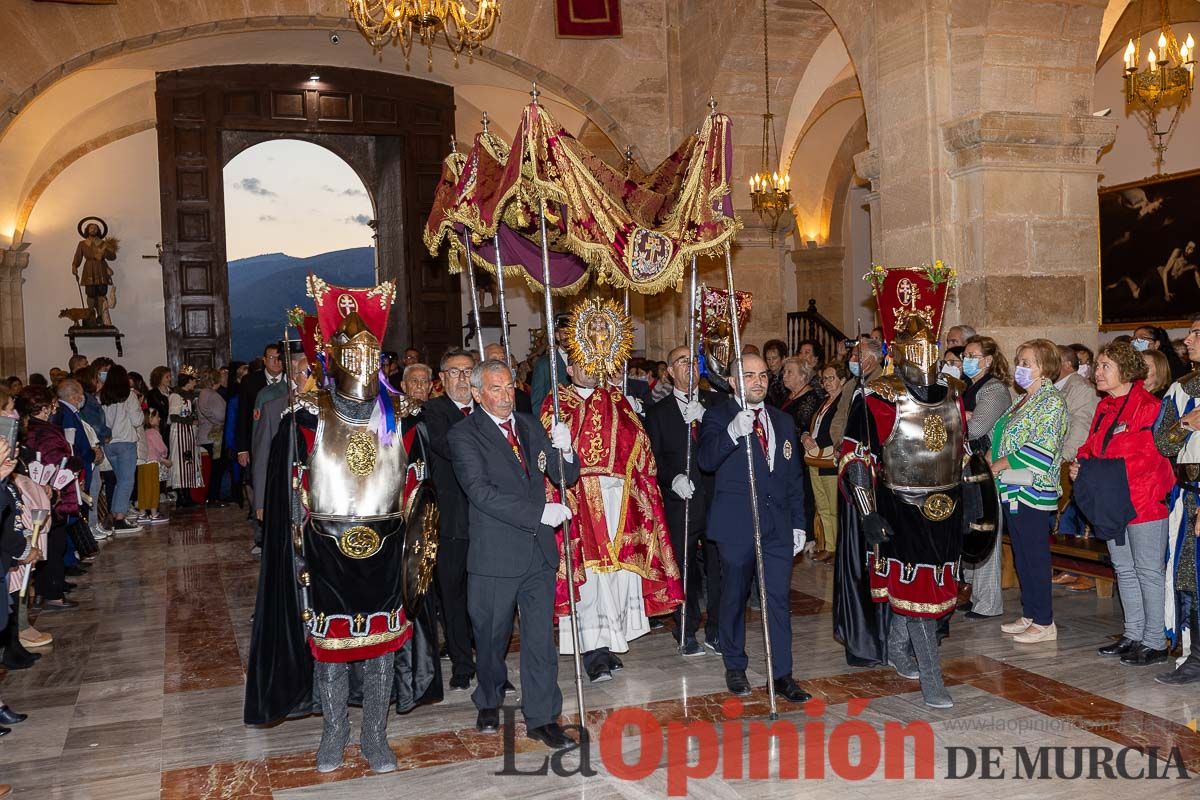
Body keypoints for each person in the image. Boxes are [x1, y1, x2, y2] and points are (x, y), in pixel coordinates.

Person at [244, 276, 437, 773]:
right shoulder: (305, 418)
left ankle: (375, 736)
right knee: (330, 649)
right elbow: (291, 493)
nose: (361, 362)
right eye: (350, 352)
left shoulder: (404, 417)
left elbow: (418, 491)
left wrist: (418, 557)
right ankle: (334, 733)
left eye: (369, 353)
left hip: (388, 547)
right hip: (326, 550)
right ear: (331, 356)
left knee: (380, 648)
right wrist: (294, 552)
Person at [839, 283, 969, 708]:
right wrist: (866, 512)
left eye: (930, 345)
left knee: (928, 593)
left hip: (946, 509)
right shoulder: (876, 398)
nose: (925, 354)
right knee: (918, 596)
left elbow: (961, 453)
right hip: (900, 507)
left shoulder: (954, 395)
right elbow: (856, 458)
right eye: (916, 345)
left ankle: (897, 648)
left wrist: (976, 504)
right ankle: (933, 678)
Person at [448, 358, 580, 749]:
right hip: (495, 555)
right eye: (495, 389)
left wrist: (565, 449)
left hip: (537, 553)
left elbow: (563, 475)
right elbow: (481, 492)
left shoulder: (528, 424)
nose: (506, 397)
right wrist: (539, 512)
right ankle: (488, 696)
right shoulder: (464, 435)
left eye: (509, 387)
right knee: (491, 637)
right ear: (476, 393)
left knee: (540, 639)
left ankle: (543, 716)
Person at [544, 330, 683, 684]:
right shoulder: (557, 402)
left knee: (616, 578)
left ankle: (608, 643)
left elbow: (640, 445)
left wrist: (635, 421)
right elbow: (548, 451)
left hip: (618, 498)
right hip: (580, 500)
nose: (589, 369)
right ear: (571, 369)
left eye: (595, 362)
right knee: (589, 579)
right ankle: (592, 652)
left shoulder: (616, 399)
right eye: (582, 364)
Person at [698, 353, 810, 703]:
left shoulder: (781, 420)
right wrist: (732, 433)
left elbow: (792, 476)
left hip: (776, 527)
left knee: (777, 600)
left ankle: (782, 674)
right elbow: (706, 460)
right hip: (736, 525)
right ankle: (735, 664)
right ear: (733, 381)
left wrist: (798, 524)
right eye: (748, 375)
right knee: (734, 598)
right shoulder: (719, 416)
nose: (758, 381)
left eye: (762, 375)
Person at [1071, 341, 1174, 666]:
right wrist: (1081, 463)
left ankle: (1155, 642)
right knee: (1125, 571)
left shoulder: (1148, 406)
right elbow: (1092, 446)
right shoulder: (1105, 406)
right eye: (1098, 365)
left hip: (1143, 501)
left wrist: (1093, 469)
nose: (1097, 372)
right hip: (1111, 500)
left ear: (1126, 371)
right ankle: (1133, 634)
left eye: (1105, 366)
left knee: (1147, 571)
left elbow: (1144, 458)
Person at [646, 344, 723, 655]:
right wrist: (672, 478)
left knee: (720, 568)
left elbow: (728, 442)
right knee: (684, 565)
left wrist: (706, 418)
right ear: (669, 371)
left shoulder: (716, 405)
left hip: (716, 497)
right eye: (681, 361)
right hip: (682, 500)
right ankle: (686, 627)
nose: (689, 367)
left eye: (693, 361)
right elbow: (653, 458)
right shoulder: (658, 413)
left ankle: (717, 628)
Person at [993, 339, 1068, 643]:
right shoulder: (1023, 399)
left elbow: (1042, 449)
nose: (1019, 368)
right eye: (1019, 361)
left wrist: (999, 463)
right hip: (1013, 485)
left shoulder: (1051, 402)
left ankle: (1045, 622)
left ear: (1045, 367)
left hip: (1033, 487)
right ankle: (1030, 613)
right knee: (1022, 555)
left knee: (1035, 556)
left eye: (1027, 363)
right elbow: (1005, 433)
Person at [419, 347, 478, 690]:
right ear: (441, 379)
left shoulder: (487, 408)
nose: (461, 378)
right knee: (453, 597)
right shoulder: (433, 411)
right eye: (454, 372)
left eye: (468, 371)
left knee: (485, 597)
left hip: (488, 521)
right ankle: (462, 664)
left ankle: (488, 662)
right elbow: (449, 447)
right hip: (452, 521)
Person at [1154, 314, 1200, 685]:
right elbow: (1162, 442)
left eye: (1197, 334)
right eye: (1189, 333)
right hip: (1190, 496)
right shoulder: (1182, 389)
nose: (1188, 339)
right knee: (1188, 577)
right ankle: (1196, 656)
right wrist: (1187, 423)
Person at [958, 335, 1014, 618]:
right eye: (965, 354)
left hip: (987, 468)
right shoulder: (967, 387)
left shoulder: (994, 389)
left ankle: (989, 603)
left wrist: (961, 415)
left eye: (972, 354)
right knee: (969, 531)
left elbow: (977, 427)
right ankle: (970, 591)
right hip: (967, 467)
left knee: (985, 531)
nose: (966, 359)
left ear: (988, 360)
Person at [20, 386, 81, 612]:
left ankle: (51, 586)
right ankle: (53, 593)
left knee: (50, 540)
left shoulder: (29, 428)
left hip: (37, 492)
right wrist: (74, 464)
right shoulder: (46, 431)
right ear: (44, 408)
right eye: (52, 405)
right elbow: (55, 461)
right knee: (54, 542)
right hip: (52, 493)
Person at [251, 351, 309, 524]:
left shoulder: (328, 409)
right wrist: (260, 501)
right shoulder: (273, 408)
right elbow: (262, 457)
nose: (310, 379)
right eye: (304, 373)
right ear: (294, 374)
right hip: (285, 491)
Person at [802, 363, 849, 564]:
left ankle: (837, 547)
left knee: (832, 506)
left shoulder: (843, 403)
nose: (827, 383)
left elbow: (840, 432)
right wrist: (805, 435)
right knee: (821, 505)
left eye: (831, 378)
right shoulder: (824, 402)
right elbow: (812, 427)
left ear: (842, 380)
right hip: (815, 457)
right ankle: (829, 546)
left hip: (830, 458)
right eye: (825, 379)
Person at [99, 365, 143, 533]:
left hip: (109, 443)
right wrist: (138, 403)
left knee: (120, 481)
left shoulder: (103, 396)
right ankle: (119, 519)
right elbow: (138, 420)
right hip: (125, 442)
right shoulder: (129, 396)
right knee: (127, 481)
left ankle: (114, 513)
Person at [167, 368, 204, 507]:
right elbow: (174, 416)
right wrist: (191, 421)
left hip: (188, 433)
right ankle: (181, 497)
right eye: (194, 380)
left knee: (188, 463)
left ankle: (188, 496)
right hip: (179, 433)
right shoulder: (176, 396)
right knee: (180, 463)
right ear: (188, 381)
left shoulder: (189, 395)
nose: (195, 383)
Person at [196, 369, 227, 506]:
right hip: (214, 436)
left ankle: (212, 496)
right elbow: (220, 415)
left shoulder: (203, 393)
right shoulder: (212, 394)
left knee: (215, 468)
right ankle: (213, 497)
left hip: (206, 434)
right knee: (217, 469)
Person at [531, 314, 570, 413]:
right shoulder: (544, 364)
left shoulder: (585, 362)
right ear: (557, 336)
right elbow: (537, 403)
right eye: (565, 333)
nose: (569, 337)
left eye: (572, 333)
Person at [137, 408, 169, 524]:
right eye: (157, 416)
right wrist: (165, 455)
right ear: (150, 419)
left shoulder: (142, 432)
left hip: (142, 463)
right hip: (152, 463)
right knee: (154, 488)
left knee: (143, 488)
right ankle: (154, 513)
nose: (159, 418)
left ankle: (142, 513)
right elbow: (162, 448)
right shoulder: (154, 432)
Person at [145, 366, 171, 439]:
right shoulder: (152, 394)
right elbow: (152, 413)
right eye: (167, 377)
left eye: (170, 376)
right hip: (161, 429)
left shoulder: (174, 392)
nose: (170, 379)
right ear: (159, 379)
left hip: (175, 429)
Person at [763, 339, 789, 408]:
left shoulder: (788, 376)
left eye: (774, 358)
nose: (771, 362)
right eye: (768, 359)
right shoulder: (765, 376)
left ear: (783, 358)